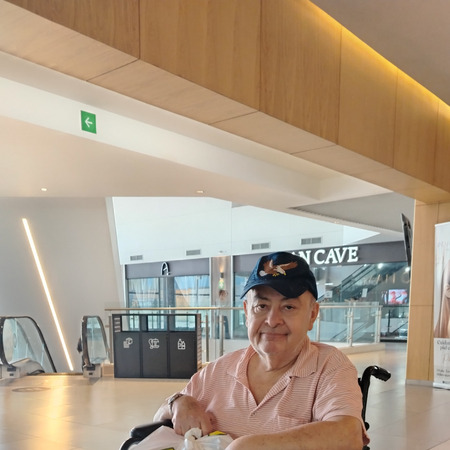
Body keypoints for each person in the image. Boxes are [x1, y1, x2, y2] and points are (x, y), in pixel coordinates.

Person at [154, 252, 369, 449]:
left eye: (288, 307)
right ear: (247, 312)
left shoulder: (329, 366)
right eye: (262, 306)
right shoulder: (219, 370)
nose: (272, 321)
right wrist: (178, 402)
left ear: (312, 315)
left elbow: (348, 435)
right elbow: (159, 418)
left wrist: (246, 446)